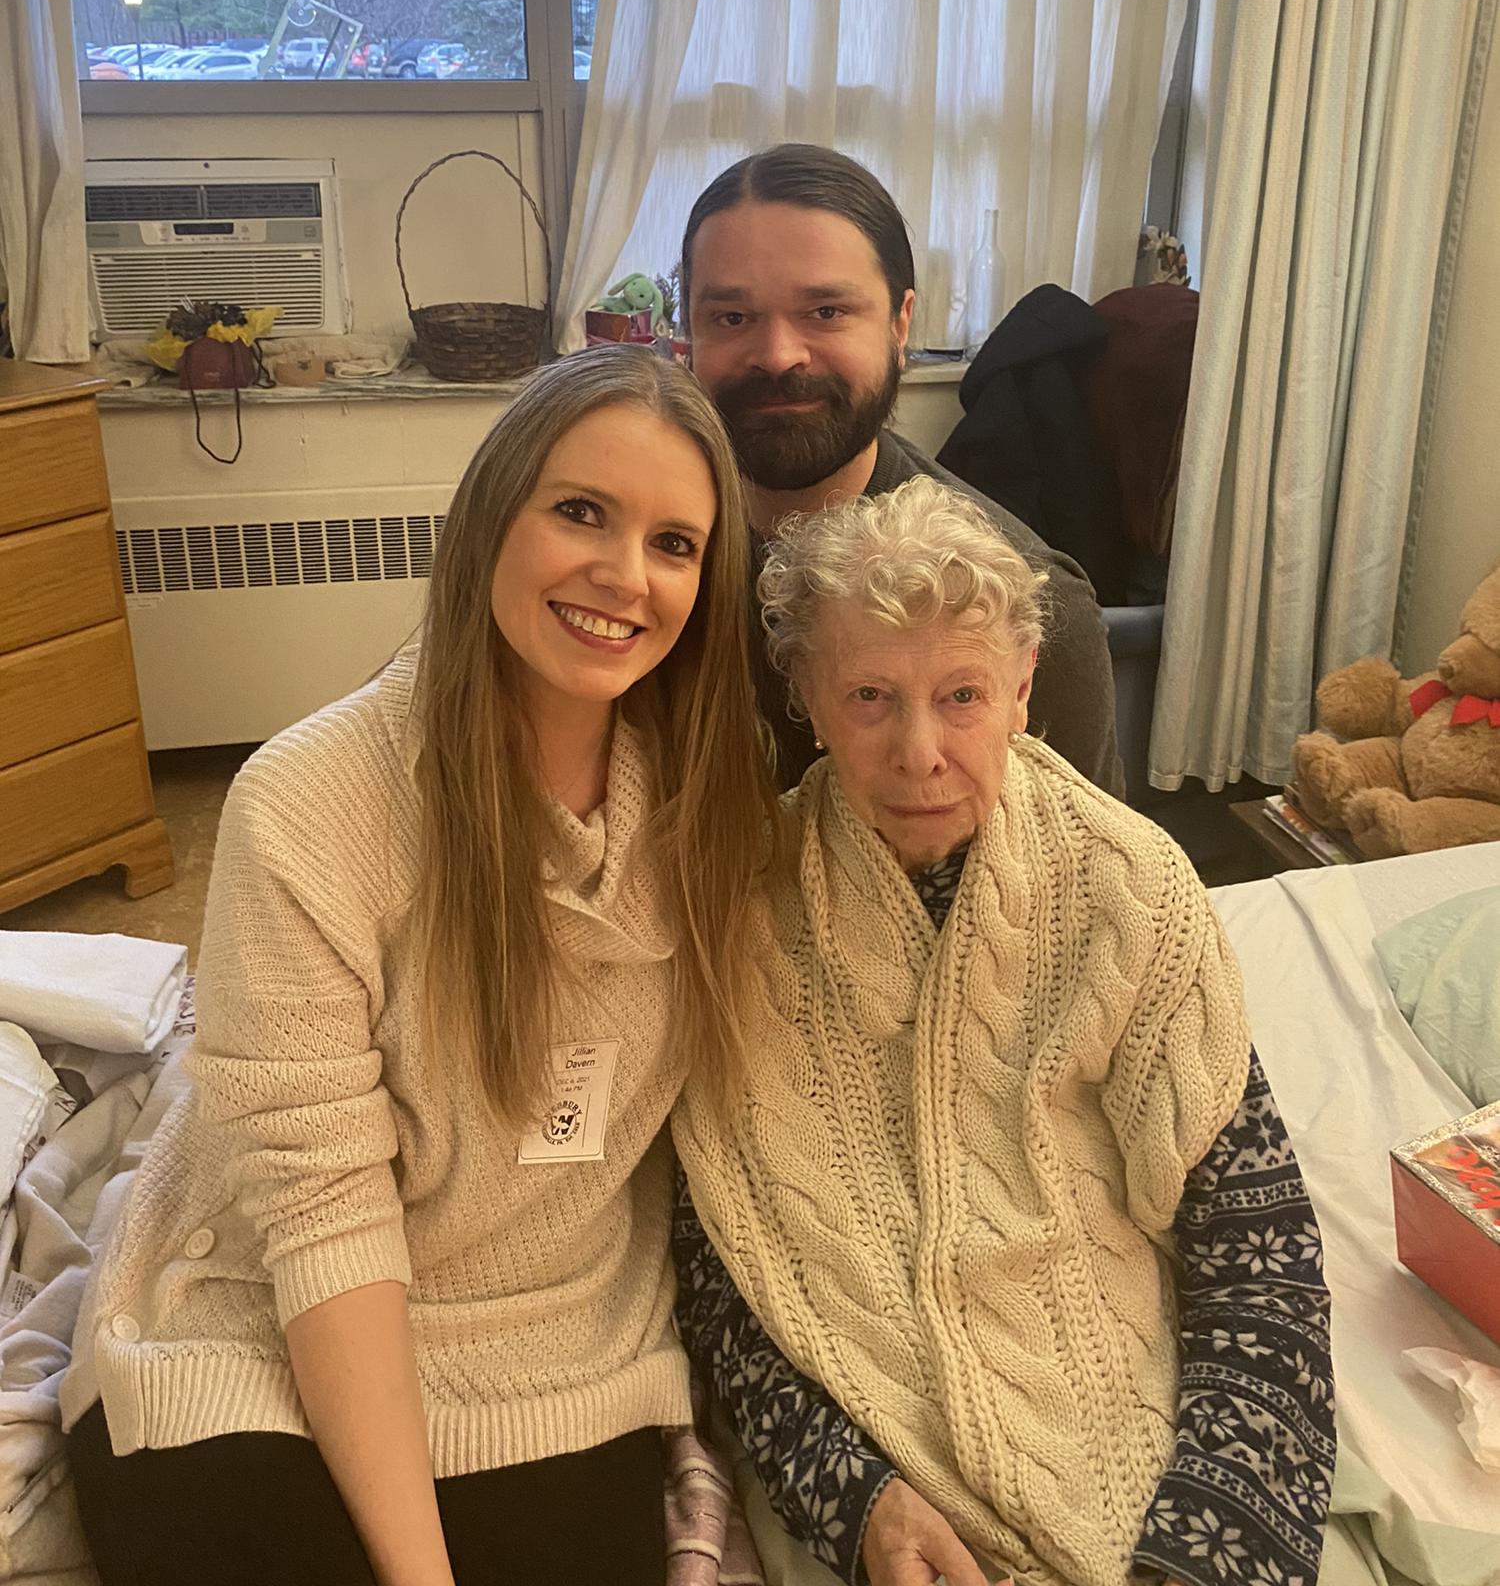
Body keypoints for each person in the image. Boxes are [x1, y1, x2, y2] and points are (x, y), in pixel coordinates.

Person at [62, 346, 779, 1586]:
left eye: (674, 543)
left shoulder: (714, 808)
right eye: (581, 511)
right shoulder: (308, 800)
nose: (625, 573)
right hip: (259, 1320)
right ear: (490, 516)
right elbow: (319, 1210)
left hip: (552, 1344)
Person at [673, 476, 1335, 1586]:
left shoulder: (1134, 890)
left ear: (1024, 688)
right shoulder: (734, 914)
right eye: (871, 696)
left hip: (1135, 1457)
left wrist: (1207, 1551)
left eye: (963, 694)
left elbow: (1260, 1262)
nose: (920, 751)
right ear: (807, 699)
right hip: (881, 1483)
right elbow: (718, 1271)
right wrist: (851, 1495)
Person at [681, 142, 1124, 796]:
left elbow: (1082, 853)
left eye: (826, 312)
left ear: (900, 324)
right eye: (732, 317)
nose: (777, 354)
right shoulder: (641, 567)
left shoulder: (1025, 605)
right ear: (688, 334)